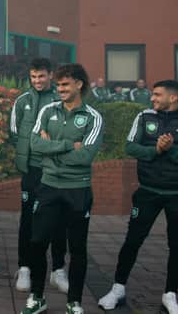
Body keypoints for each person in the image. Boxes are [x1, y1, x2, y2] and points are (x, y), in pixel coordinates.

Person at [20, 63, 104, 314]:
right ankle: (37, 297)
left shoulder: (93, 117)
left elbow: (86, 157)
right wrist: (68, 145)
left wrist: (52, 150)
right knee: (37, 242)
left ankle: (74, 302)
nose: (60, 89)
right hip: (48, 187)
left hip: (78, 191)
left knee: (77, 248)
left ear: (79, 84)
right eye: (58, 85)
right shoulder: (48, 110)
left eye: (65, 84)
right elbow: (35, 145)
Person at [98, 80, 178, 314]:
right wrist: (156, 150)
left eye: (157, 94)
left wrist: (171, 149)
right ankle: (118, 288)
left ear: (173, 98)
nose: (152, 98)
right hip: (147, 192)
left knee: (176, 245)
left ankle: (170, 294)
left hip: (176, 194)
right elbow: (131, 147)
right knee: (133, 240)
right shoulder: (144, 116)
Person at [10, 58, 68, 293]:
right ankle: (25, 267)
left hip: (54, 170)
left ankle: (58, 270)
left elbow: (67, 132)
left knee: (57, 220)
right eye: (33, 77)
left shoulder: (59, 101)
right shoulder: (22, 101)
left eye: (41, 76)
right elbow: (14, 133)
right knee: (28, 220)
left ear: (50, 75)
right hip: (31, 171)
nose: (37, 81)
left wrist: (49, 150)